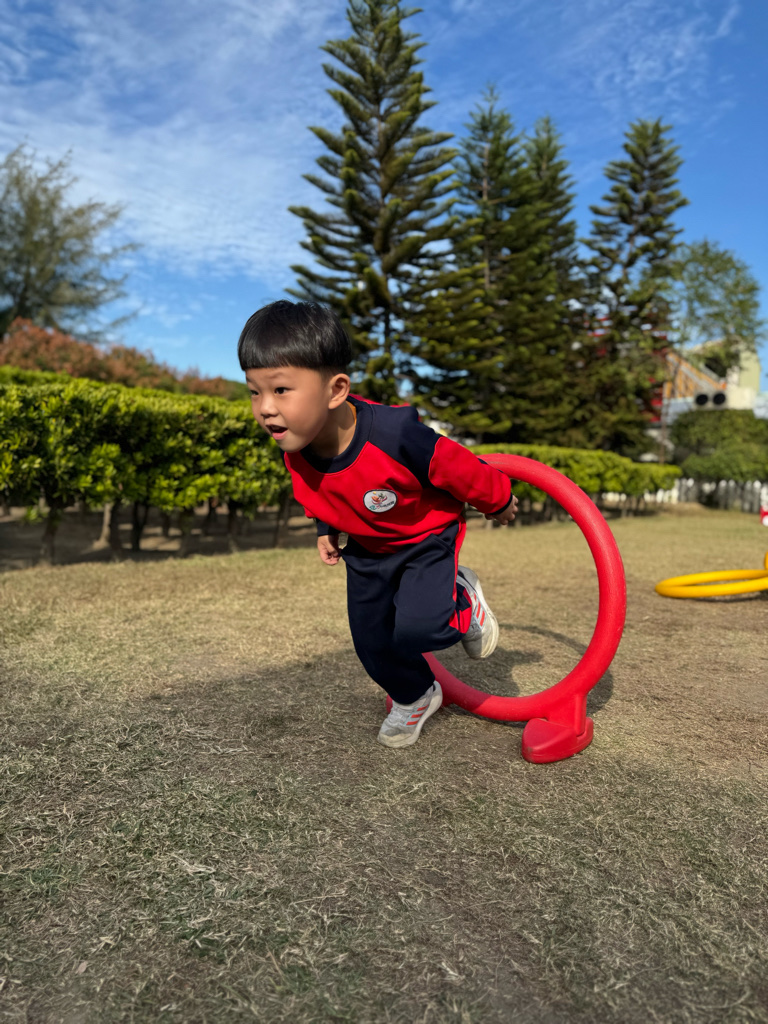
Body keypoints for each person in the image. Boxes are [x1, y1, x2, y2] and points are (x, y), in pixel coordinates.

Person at [238, 300, 518, 749]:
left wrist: (497, 498)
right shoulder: (295, 445)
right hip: (368, 550)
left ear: (335, 390)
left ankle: (462, 598)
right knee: (372, 641)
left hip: (424, 537)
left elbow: (457, 465)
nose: (265, 408)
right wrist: (324, 528)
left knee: (420, 628)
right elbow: (319, 491)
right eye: (254, 391)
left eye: (281, 389)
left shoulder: (395, 434)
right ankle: (415, 694)